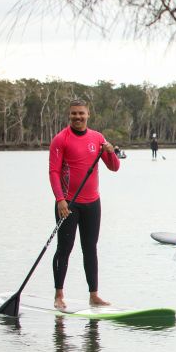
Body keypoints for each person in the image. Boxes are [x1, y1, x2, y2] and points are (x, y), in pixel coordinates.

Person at [49, 99, 121, 310]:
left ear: (88, 114)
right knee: (65, 248)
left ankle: (94, 295)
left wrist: (109, 151)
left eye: (81, 113)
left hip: (92, 203)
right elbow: (53, 171)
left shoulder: (97, 137)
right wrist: (60, 199)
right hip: (68, 204)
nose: (77, 117)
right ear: (69, 115)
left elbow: (114, 167)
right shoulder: (61, 139)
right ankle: (59, 294)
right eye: (74, 114)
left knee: (90, 248)